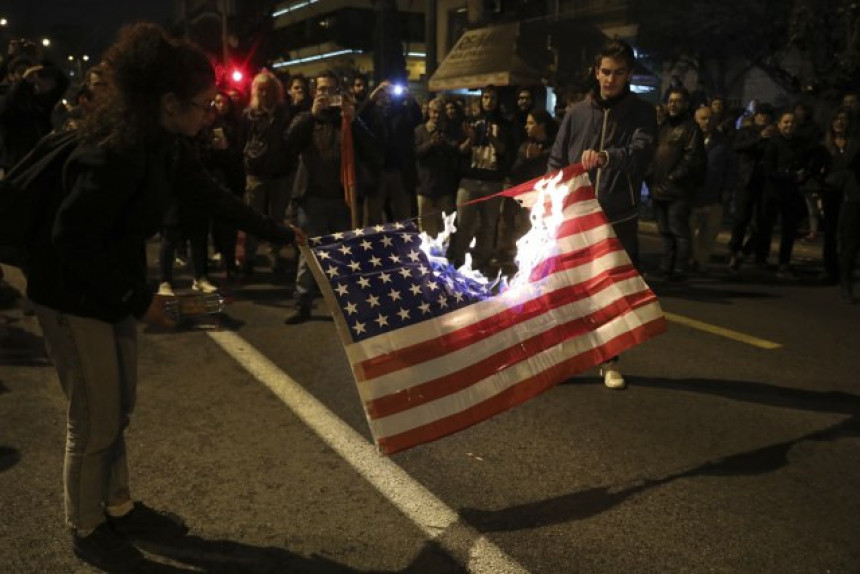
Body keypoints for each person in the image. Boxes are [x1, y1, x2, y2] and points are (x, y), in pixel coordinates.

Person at [26, 24, 304, 571]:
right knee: (94, 415)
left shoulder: (166, 143)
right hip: (68, 294)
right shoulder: (113, 152)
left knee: (118, 406)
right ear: (169, 102)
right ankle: (86, 526)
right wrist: (139, 299)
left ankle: (117, 505)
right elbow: (69, 242)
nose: (210, 113)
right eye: (203, 105)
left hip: (107, 290)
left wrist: (278, 232)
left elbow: (209, 196)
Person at [547, 39, 657, 390]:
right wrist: (551, 198)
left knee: (611, 290)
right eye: (605, 72)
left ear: (628, 75)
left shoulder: (641, 112)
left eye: (619, 73)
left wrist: (609, 156)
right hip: (575, 214)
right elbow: (557, 158)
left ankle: (610, 359)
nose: (611, 79)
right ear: (596, 72)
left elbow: (641, 153)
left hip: (617, 214)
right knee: (568, 288)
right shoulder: (577, 112)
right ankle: (565, 359)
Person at [283, 69, 378, 324]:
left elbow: (372, 149)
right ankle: (302, 304)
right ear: (315, 93)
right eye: (322, 90)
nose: (327, 96)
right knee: (308, 256)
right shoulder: (306, 118)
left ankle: (346, 307)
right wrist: (311, 115)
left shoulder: (347, 120)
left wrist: (354, 119)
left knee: (342, 255)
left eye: (332, 90)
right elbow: (288, 143)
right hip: (312, 198)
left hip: (342, 199)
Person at [448, 85, 513, 271]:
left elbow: (504, 150)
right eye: (485, 97)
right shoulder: (470, 122)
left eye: (492, 97)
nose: (489, 101)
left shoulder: (505, 123)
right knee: (464, 224)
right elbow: (460, 150)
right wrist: (471, 139)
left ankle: (481, 262)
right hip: (469, 181)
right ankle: (459, 261)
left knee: (488, 225)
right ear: (480, 99)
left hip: (492, 181)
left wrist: (492, 138)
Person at [238, 70, 296, 276]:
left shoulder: (285, 113)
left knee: (276, 217)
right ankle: (250, 257)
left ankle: (274, 254)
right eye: (260, 90)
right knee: (253, 217)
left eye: (268, 90)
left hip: (281, 173)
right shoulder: (249, 115)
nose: (264, 94)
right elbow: (242, 141)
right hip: (256, 173)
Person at [647, 86, 706, 281]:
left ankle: (680, 268)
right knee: (664, 230)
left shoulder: (690, 128)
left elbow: (692, 158)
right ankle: (666, 266)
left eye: (678, 100)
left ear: (686, 104)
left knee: (678, 229)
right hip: (658, 187)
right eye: (670, 100)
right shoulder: (663, 127)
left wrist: (672, 177)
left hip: (678, 190)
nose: (673, 104)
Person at [759, 110, 808, 278]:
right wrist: (792, 176)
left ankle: (784, 262)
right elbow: (769, 171)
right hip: (774, 191)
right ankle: (760, 258)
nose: (789, 125)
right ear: (779, 124)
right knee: (766, 227)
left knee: (789, 230)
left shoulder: (799, 144)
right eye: (786, 122)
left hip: (791, 192)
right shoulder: (773, 143)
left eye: (792, 122)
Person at [690, 105, 736, 273]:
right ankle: (693, 258)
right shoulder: (689, 139)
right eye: (703, 118)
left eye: (710, 118)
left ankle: (701, 261)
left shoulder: (723, 143)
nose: (707, 122)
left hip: (714, 195)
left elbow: (730, 169)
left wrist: (726, 190)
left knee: (710, 233)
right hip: (692, 195)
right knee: (690, 231)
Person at [821, 107, 859, 300]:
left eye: (844, 119)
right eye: (837, 119)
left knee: (849, 239)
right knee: (831, 232)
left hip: (852, 195)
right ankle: (831, 269)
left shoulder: (855, 143)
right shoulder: (825, 144)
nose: (840, 122)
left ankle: (846, 280)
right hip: (831, 193)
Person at [414, 98, 461, 237]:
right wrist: (431, 144)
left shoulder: (449, 131)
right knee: (426, 231)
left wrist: (444, 143)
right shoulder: (419, 131)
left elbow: (455, 152)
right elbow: (415, 153)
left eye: (440, 112)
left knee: (446, 229)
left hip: (444, 189)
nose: (437, 115)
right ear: (429, 112)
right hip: (425, 188)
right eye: (434, 112)